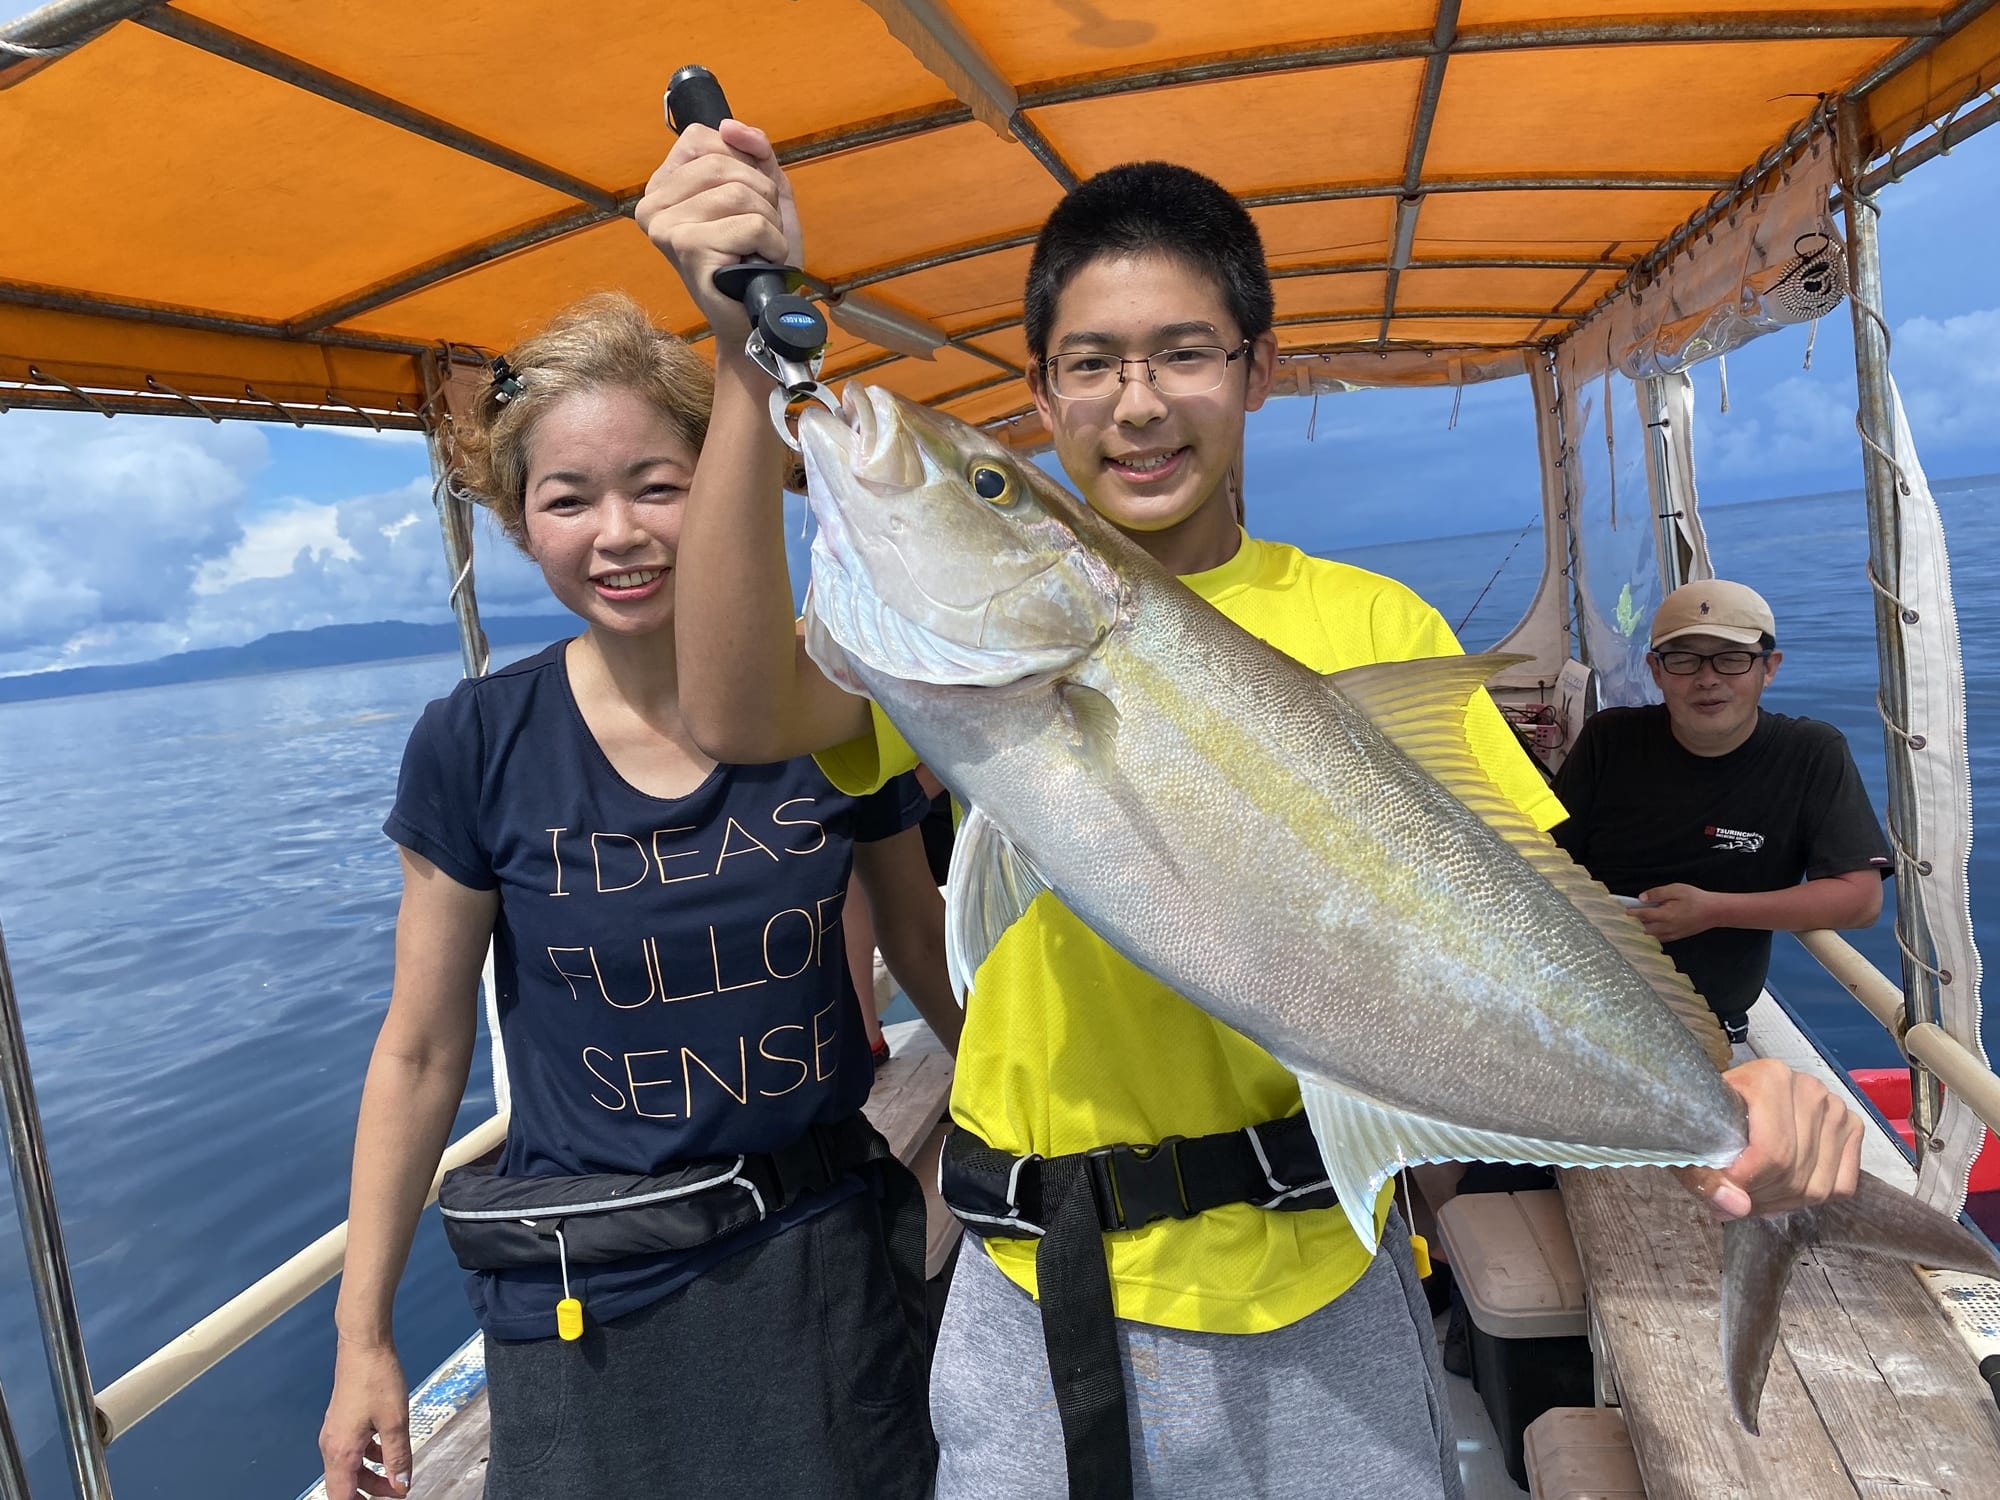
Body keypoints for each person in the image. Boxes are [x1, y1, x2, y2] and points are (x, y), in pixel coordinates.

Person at [639, 128, 1865, 1499]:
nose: (1138, 401)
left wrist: (1720, 1097)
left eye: (1185, 353)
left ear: (1257, 373)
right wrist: (747, 370)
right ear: (1042, 395)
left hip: (1315, 1279)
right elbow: (736, 715)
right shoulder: (933, 669)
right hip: (1037, 1293)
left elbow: (1526, 921)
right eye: (1091, 364)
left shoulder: (1366, 621)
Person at [317, 293, 957, 1500]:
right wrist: (362, 1343)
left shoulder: (830, 699)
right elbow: (417, 1052)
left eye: (658, 485)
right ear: (522, 524)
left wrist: (1040, 1137)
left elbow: (921, 937)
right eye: (568, 499)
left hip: (821, 1264)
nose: (619, 534)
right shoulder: (476, 745)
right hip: (592, 1296)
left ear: (722, 484)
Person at [1553, 579, 1890, 1046]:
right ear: (1655, 670)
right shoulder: (1608, 738)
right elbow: (1545, 862)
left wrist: (1714, 911)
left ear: (1769, 668)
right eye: (1683, 659)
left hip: (1702, 1027)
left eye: (1732, 658)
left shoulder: (1810, 753)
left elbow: (1861, 900)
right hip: (1571, 1003)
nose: (1707, 678)